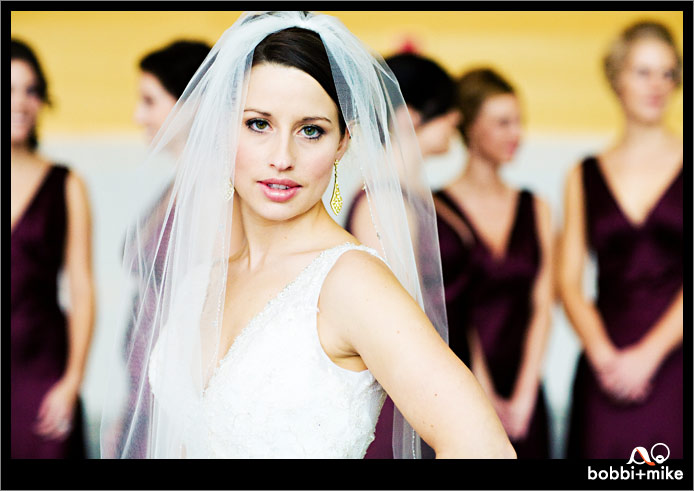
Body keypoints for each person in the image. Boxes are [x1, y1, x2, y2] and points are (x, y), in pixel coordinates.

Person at [100, 11, 515, 459]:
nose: (282, 157)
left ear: (342, 143)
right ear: (221, 128)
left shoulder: (351, 283)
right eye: (258, 124)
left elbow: (485, 449)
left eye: (311, 131)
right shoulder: (200, 280)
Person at [559, 21, 683, 459]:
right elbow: (568, 281)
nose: (657, 85)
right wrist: (603, 356)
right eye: (643, 72)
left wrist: (648, 356)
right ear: (616, 78)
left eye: (667, 73)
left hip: (677, 362)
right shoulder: (582, 173)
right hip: (604, 365)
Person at [433, 68, 554, 458]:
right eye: (503, 123)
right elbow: (448, 309)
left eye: (519, 121)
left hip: (526, 392)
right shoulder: (434, 210)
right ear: (470, 127)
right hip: (461, 388)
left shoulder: (536, 207)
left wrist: (525, 394)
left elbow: (542, 305)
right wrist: (482, 393)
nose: (516, 133)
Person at [345, 52, 461, 459]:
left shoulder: (409, 195)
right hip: (402, 393)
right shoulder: (381, 202)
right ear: (411, 116)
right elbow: (389, 320)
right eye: (448, 111)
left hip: (429, 383)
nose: (457, 121)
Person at [111, 39, 212, 459]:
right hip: (143, 392)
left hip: (176, 400)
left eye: (150, 101)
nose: (139, 115)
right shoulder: (178, 184)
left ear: (191, 104)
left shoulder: (211, 192)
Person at [10, 39, 95, 458]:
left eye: (31, 90)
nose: (20, 102)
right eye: (8, 89)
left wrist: (72, 381)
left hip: (43, 369)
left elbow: (82, 289)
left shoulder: (66, 183)